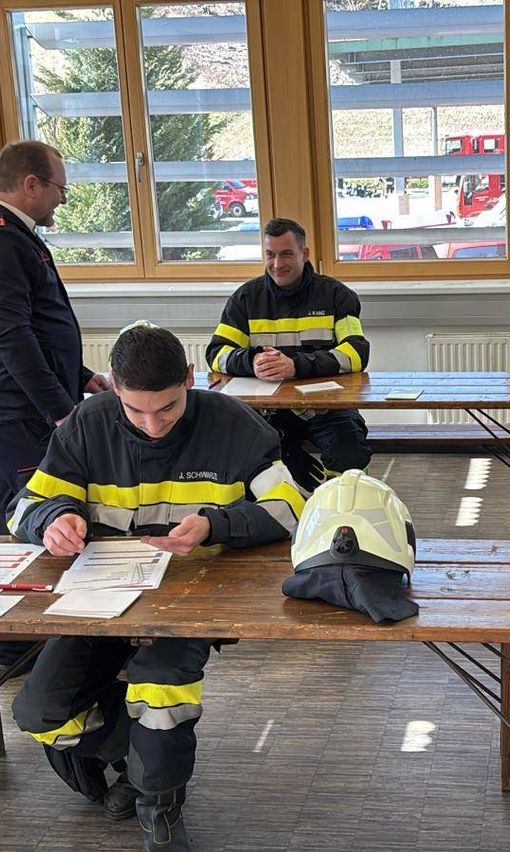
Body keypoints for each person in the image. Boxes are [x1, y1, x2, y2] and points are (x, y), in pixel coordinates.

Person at [7, 323, 304, 851]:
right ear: (115, 389)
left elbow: (293, 509)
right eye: (136, 410)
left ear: (190, 379)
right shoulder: (85, 424)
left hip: (191, 597)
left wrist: (217, 524)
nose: (153, 424)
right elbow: (25, 507)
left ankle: (160, 813)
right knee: (37, 712)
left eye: (167, 408)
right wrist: (53, 518)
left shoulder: (234, 423)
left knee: (162, 687)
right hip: (100, 597)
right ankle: (143, 764)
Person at [0, 140, 109, 675]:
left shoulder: (20, 237)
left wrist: (85, 379)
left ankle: (50, 638)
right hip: (20, 417)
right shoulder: (4, 241)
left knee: (51, 513)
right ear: (31, 184)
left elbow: (44, 331)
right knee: (32, 517)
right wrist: (60, 412)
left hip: (37, 406)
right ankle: (18, 645)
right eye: (61, 188)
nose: (63, 200)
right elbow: (13, 337)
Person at [206, 217, 371, 491]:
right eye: (270, 255)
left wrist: (296, 365)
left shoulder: (337, 295)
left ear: (304, 254)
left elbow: (356, 352)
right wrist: (252, 361)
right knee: (252, 451)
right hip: (267, 412)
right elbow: (216, 353)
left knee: (349, 449)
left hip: (325, 408)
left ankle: (339, 509)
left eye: (286, 254)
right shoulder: (245, 298)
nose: (277, 264)